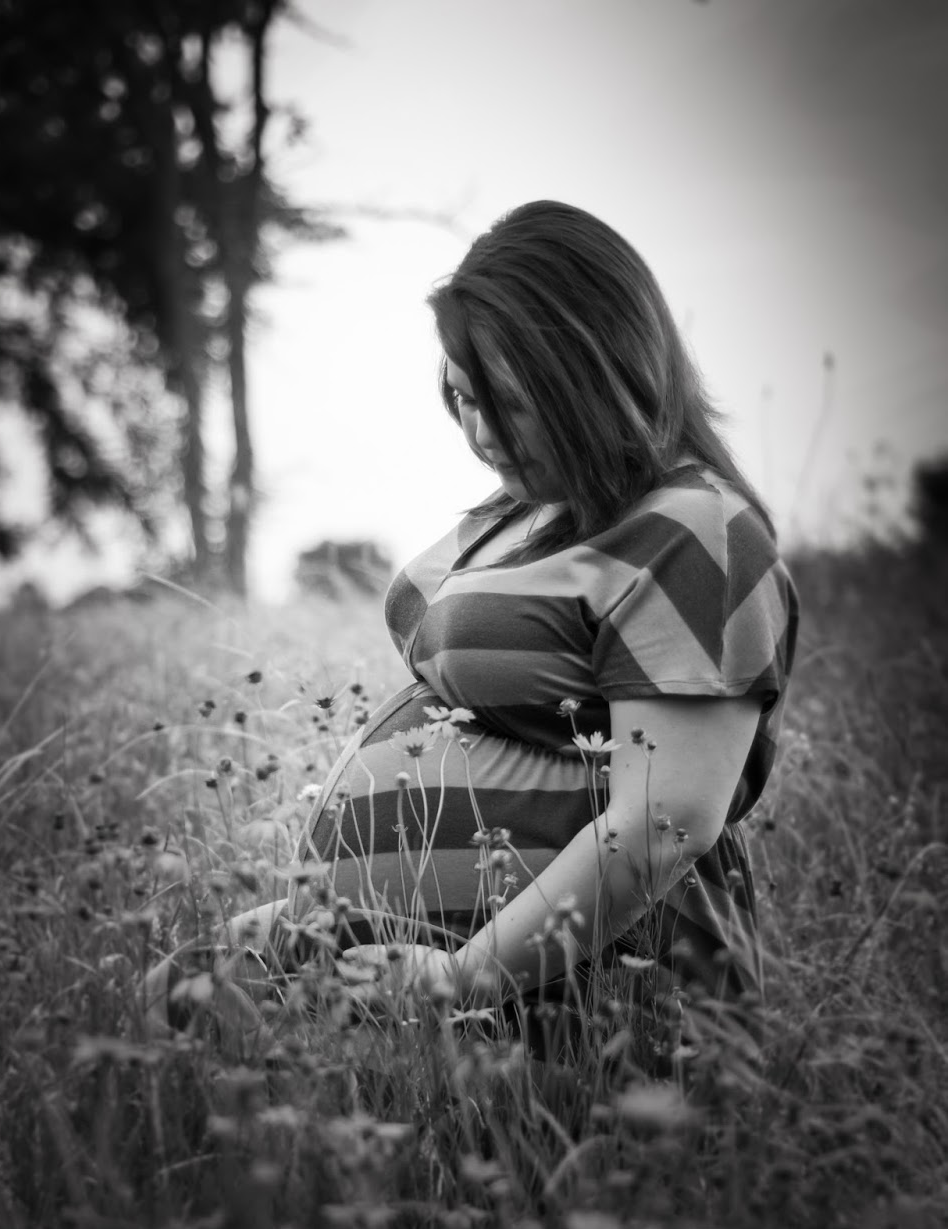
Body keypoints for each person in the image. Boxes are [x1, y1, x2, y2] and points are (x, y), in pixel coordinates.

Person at [143, 200, 799, 1059]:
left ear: (599, 375)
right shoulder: (523, 512)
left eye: (512, 405)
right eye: (461, 398)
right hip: (438, 980)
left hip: (592, 994)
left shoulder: (694, 530)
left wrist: (466, 975)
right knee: (170, 1001)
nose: (482, 435)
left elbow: (660, 824)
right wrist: (308, 916)